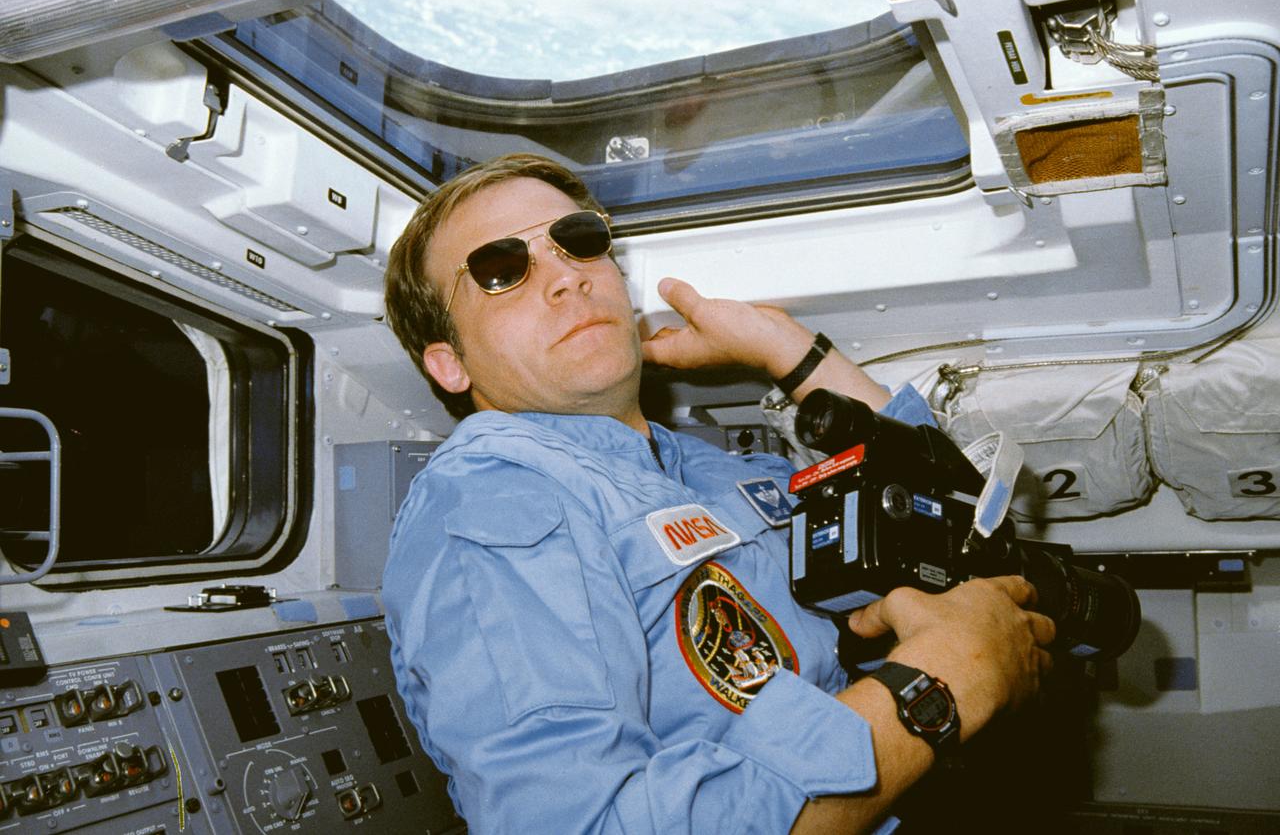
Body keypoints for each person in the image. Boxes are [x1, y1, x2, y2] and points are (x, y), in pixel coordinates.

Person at [381, 153, 1055, 834]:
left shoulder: (714, 473)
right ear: (449, 360)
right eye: (502, 269)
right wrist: (930, 690)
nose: (565, 276)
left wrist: (787, 350)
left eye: (579, 240)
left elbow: (976, 553)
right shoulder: (489, 496)